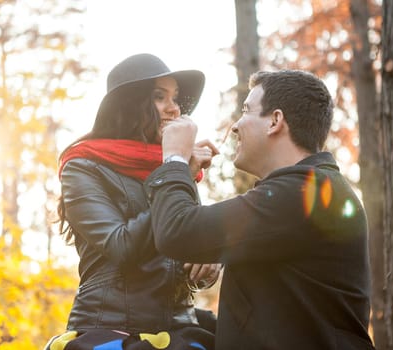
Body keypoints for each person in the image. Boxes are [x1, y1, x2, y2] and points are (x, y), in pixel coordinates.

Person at [145, 70, 375, 349]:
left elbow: (176, 232)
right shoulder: (301, 192)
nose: (235, 126)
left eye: (246, 110)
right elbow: (267, 323)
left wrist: (174, 160)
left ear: (275, 121)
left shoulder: (303, 193)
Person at [45, 53, 221, 350]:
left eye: (176, 98)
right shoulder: (83, 167)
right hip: (113, 331)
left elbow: (183, 252)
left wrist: (208, 262)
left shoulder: (175, 169)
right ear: (130, 105)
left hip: (181, 329)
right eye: (159, 97)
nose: (174, 108)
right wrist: (177, 169)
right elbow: (122, 246)